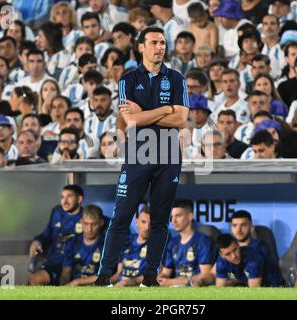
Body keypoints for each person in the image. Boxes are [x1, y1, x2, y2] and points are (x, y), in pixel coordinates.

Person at [94, 27, 189, 287]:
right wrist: (166, 110)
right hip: (137, 156)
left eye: (163, 42)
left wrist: (149, 112)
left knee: (160, 219)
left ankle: (150, 277)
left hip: (169, 157)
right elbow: (131, 120)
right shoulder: (127, 79)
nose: (160, 47)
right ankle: (104, 276)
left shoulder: (178, 78)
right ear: (141, 47)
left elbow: (181, 119)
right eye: (154, 42)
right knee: (122, 215)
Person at [28, 184, 84, 286]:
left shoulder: (87, 217)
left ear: (79, 199)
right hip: (55, 261)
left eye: (69, 196)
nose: (65, 201)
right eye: (62, 197)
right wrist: (38, 241)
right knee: (34, 280)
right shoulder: (57, 212)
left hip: (76, 265)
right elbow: (47, 233)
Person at [158, 200, 217, 287]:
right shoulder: (173, 243)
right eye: (172, 217)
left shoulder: (203, 242)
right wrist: (161, 278)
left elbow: (206, 275)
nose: (173, 221)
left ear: (190, 216)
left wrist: (172, 282)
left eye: (178, 216)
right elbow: (166, 273)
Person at [213, 233, 283, 287]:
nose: (234, 256)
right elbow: (220, 288)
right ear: (221, 255)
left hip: (274, 285)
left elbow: (254, 291)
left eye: (235, 250)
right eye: (228, 254)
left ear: (238, 245)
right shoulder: (221, 262)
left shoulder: (253, 259)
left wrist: (233, 282)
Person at [60, 204, 106, 286]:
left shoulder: (107, 245)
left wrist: (78, 282)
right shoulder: (72, 242)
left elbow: (107, 276)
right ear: (81, 222)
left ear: (101, 223)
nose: (89, 229)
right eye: (86, 224)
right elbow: (66, 272)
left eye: (94, 224)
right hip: (74, 289)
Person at [113, 206, 151, 287]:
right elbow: (118, 273)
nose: (147, 227)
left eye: (151, 224)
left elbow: (157, 276)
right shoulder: (127, 241)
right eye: (143, 222)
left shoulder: (157, 245)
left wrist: (133, 281)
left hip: (139, 288)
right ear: (137, 222)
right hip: (120, 286)